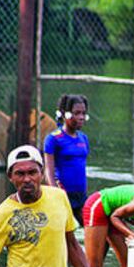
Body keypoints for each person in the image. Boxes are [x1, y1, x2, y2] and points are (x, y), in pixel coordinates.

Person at [43, 94, 91, 224]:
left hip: (80, 195)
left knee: (94, 229)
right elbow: (48, 170)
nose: (81, 117)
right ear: (65, 114)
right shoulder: (53, 139)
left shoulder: (83, 138)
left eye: (83, 113)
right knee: (65, 236)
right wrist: (55, 193)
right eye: (76, 113)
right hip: (62, 195)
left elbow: (81, 167)